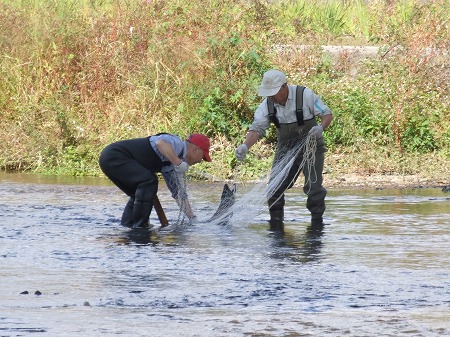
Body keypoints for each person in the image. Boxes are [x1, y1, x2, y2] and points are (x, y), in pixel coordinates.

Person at [235, 69, 333, 230]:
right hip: (285, 148)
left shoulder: (305, 95)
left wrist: (321, 127)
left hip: (312, 145)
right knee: (274, 186)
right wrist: (245, 145)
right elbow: (257, 129)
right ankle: (276, 225)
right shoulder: (267, 105)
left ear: (284, 87)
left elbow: (327, 113)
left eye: (274, 93)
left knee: (314, 187)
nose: (272, 97)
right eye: (269, 94)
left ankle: (316, 226)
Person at [99, 133, 211, 228]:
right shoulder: (176, 144)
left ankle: (128, 226)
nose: (201, 161)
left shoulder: (171, 165)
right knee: (149, 181)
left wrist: (192, 218)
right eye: (203, 156)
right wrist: (178, 162)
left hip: (109, 160)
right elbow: (160, 143)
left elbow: (179, 194)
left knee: (137, 194)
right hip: (114, 156)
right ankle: (141, 227)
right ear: (196, 149)